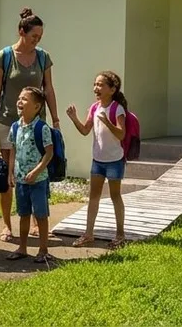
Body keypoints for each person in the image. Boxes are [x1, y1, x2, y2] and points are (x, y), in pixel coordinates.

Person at [0, 8, 61, 242]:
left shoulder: (43, 57)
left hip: (37, 125)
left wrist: (56, 119)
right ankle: (7, 224)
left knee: (40, 172)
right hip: (9, 121)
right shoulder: (4, 56)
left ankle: (39, 223)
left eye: (39, 37)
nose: (36, 40)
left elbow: (48, 88)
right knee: (9, 173)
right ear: (21, 32)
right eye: (33, 36)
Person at [65, 70, 128, 249]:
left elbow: (121, 134)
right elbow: (85, 130)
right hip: (98, 160)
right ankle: (88, 234)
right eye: (95, 84)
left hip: (115, 160)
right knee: (93, 197)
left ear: (112, 89)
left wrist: (108, 123)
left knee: (115, 196)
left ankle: (120, 235)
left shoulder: (117, 108)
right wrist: (74, 118)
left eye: (101, 85)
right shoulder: (94, 107)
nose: (96, 88)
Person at [6, 86, 55, 263]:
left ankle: (43, 249)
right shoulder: (15, 126)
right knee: (23, 214)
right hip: (21, 180)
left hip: (38, 180)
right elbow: (13, 149)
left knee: (41, 215)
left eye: (25, 99)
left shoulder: (42, 128)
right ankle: (23, 247)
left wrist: (36, 172)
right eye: (19, 98)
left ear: (37, 107)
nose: (20, 102)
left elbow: (49, 153)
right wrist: (11, 172)